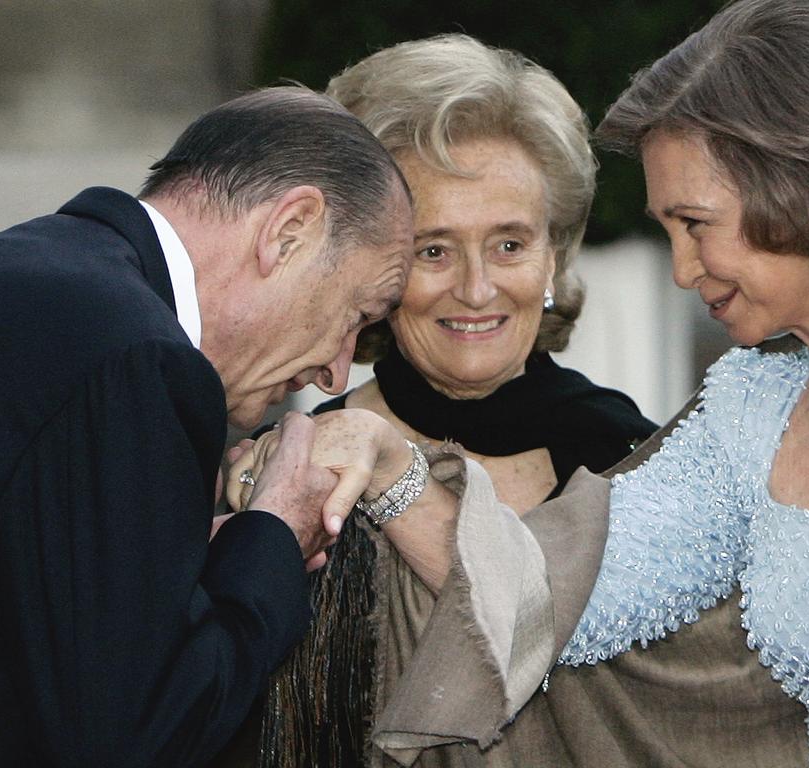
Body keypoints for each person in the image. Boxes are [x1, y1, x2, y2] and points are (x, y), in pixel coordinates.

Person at [234, 1, 809, 766]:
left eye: (696, 224)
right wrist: (385, 457)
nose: (680, 269)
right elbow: (556, 601)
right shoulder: (747, 407)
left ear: (805, 200)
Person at [217, 35, 657, 768]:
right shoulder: (301, 468)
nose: (478, 289)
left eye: (510, 244)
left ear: (555, 254)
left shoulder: (632, 455)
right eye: (433, 250)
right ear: (372, 270)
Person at [0, 86, 413, 767]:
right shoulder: (139, 358)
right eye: (357, 316)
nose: (335, 372)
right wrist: (275, 533)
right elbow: (132, 742)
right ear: (290, 229)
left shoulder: (41, 276)